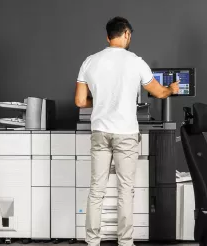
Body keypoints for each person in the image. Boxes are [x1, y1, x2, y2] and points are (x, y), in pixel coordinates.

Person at [74, 16, 179, 246]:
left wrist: (101, 101)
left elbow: (80, 101)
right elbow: (159, 93)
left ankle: (92, 242)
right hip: (126, 134)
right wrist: (171, 88)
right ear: (127, 34)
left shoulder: (89, 61)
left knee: (96, 191)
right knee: (125, 191)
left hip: (100, 132)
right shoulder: (136, 62)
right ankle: (125, 242)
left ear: (108, 36)